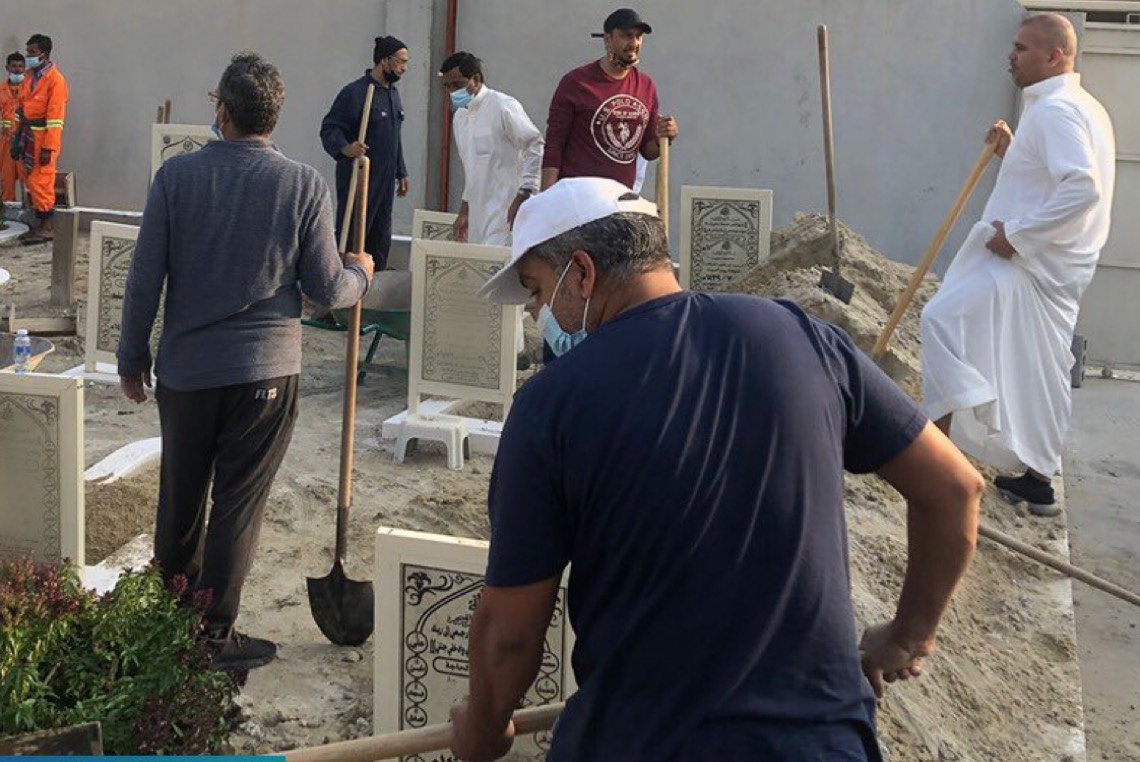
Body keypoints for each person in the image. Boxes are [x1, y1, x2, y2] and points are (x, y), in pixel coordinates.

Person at [450, 177, 984, 762]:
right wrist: (908, 635)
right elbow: (955, 488)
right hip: (819, 743)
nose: (539, 314)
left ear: (581, 272)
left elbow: (510, 634)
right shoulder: (804, 338)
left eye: (537, 290)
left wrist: (484, 727)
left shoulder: (551, 404)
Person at [117, 52, 373, 670]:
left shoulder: (176, 178)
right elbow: (324, 289)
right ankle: (213, 638)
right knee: (237, 504)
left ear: (223, 110)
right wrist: (360, 274)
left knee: (180, 498)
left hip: (186, 373)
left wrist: (132, 355)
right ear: (274, 116)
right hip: (264, 373)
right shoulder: (303, 184)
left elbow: (144, 278)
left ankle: (168, 624)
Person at [921, 13, 1115, 517]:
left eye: (1022, 48)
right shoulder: (1081, 106)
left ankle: (934, 459)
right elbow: (1048, 179)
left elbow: (1082, 188)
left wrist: (1019, 236)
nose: (1011, 55)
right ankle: (1036, 479)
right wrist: (1014, 152)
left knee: (942, 321)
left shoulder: (1057, 112)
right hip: (1052, 267)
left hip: (1031, 264)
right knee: (1038, 369)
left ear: (1055, 56)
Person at [540, 8, 678, 192]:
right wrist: (547, 197)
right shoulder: (576, 82)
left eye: (638, 36)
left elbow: (647, 150)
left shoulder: (646, 86)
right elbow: (554, 144)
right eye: (626, 36)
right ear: (607, 40)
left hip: (620, 198)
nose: (634, 43)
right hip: (577, 196)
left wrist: (664, 138)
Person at [320, 35, 410, 271]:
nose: (404, 68)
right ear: (384, 61)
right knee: (354, 233)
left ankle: (374, 279)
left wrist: (401, 171)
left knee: (380, 234)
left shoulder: (393, 95)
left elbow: (394, 138)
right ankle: (345, 282)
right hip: (359, 178)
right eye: (400, 62)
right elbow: (330, 129)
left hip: (385, 178)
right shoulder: (355, 93)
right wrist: (346, 148)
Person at [439, 51, 543, 246]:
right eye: (448, 86)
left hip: (506, 211)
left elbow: (534, 144)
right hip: (478, 215)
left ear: (476, 79)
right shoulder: (460, 118)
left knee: (500, 260)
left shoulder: (502, 106)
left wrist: (526, 192)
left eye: (458, 85)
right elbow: (471, 169)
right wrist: (465, 210)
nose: (453, 92)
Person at [11, 34, 67, 243]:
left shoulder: (56, 80)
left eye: (32, 52)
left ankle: (48, 226)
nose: (29, 56)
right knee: (31, 181)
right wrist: (16, 139)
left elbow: (56, 119)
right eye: (28, 52)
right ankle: (39, 224)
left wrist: (48, 148)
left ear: (45, 53)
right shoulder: (29, 76)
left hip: (43, 138)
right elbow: (20, 108)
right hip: (27, 135)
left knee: (41, 181)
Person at [0, 52, 25, 203]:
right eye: (14, 66)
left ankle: (30, 211)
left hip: (24, 141)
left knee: (27, 179)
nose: (17, 69)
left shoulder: (30, 88)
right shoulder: (1, 90)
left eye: (21, 66)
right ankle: (7, 212)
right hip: (6, 141)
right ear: (7, 67)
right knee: (7, 180)